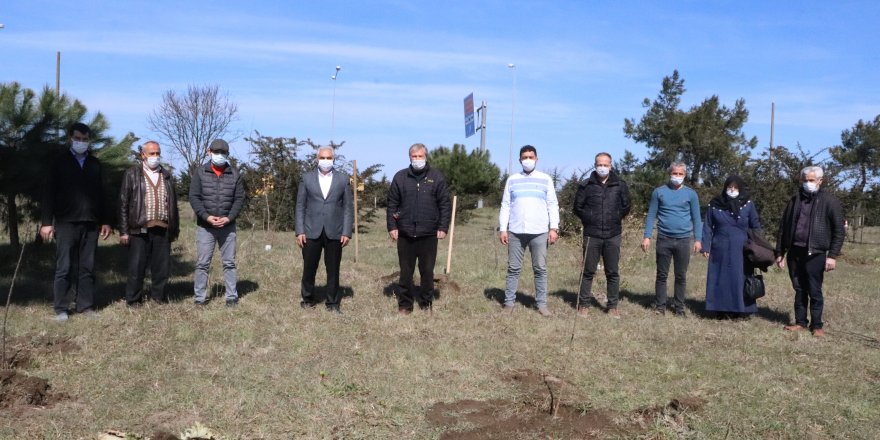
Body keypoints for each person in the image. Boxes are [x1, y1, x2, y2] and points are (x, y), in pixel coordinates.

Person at [40, 122, 112, 321]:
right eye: (77, 139)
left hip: (90, 222)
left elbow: (103, 194)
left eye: (85, 139)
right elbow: (48, 193)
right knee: (64, 267)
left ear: (89, 141)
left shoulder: (95, 164)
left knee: (87, 267)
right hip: (65, 222)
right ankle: (61, 308)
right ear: (70, 138)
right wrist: (46, 222)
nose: (81, 142)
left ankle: (85, 305)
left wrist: (106, 220)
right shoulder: (59, 162)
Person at [775, 166, 844, 337]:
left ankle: (817, 325)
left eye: (811, 180)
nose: (808, 183)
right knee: (799, 289)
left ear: (820, 181)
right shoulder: (794, 200)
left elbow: (839, 230)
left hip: (816, 253)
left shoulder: (829, 201)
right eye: (805, 180)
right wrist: (780, 252)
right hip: (795, 252)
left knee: (814, 289)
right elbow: (784, 227)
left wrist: (832, 255)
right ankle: (800, 322)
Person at [387, 143, 451, 315]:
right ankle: (405, 304)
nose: (417, 160)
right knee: (406, 272)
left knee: (427, 271)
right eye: (414, 157)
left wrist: (443, 226)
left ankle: (425, 304)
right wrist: (392, 226)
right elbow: (392, 204)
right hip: (405, 233)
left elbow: (444, 204)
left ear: (426, 157)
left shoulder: (436, 177)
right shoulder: (400, 177)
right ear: (409, 158)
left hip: (428, 234)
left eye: (420, 156)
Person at [499, 145, 560, 316]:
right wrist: (503, 228)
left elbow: (552, 204)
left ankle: (541, 304)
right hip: (516, 231)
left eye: (531, 157)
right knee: (513, 269)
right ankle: (509, 303)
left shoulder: (545, 179)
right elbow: (505, 205)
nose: (528, 160)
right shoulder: (512, 180)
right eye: (524, 157)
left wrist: (554, 228)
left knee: (540, 269)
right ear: (520, 160)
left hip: (539, 231)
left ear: (536, 159)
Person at [119, 141, 179, 307]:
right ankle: (133, 300)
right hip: (139, 228)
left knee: (161, 268)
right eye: (151, 153)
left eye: (158, 153)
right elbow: (123, 203)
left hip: (163, 228)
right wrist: (124, 231)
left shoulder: (166, 175)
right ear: (143, 155)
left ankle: (158, 298)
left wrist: (174, 229)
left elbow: (173, 204)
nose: (155, 157)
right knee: (136, 267)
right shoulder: (132, 174)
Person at [295, 146, 354, 314]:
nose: (326, 161)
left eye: (329, 158)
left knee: (333, 269)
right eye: (323, 157)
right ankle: (307, 299)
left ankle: (333, 303)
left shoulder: (342, 179)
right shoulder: (306, 178)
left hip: (335, 231)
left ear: (334, 159)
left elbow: (348, 208)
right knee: (309, 267)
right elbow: (300, 206)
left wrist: (346, 232)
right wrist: (300, 231)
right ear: (317, 158)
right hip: (311, 230)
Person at [573, 152, 631, 318]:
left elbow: (626, 206)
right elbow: (577, 207)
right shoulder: (586, 185)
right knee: (588, 271)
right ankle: (583, 304)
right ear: (595, 164)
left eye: (606, 164)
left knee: (612, 272)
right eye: (600, 164)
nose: (602, 167)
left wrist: (615, 217)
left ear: (611, 166)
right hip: (592, 234)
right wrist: (589, 219)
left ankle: (612, 306)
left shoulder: (620, 184)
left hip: (613, 234)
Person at [189, 139, 246, 307]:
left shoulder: (234, 174)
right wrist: (206, 216)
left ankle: (231, 297)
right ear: (209, 152)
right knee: (202, 263)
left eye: (223, 153)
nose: (219, 155)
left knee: (229, 263)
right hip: (205, 227)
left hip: (228, 227)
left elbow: (239, 199)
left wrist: (229, 218)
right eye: (216, 152)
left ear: (227, 155)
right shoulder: (200, 173)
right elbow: (194, 197)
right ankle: (200, 298)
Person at [641, 162, 702, 317]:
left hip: (683, 240)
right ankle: (660, 306)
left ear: (685, 175)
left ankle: (679, 307)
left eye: (680, 174)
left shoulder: (691, 194)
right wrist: (647, 236)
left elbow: (696, 218)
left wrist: (698, 239)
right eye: (675, 173)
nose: (677, 177)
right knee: (662, 275)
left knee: (681, 276)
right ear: (670, 173)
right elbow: (651, 215)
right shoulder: (659, 192)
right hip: (664, 239)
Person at [701, 176, 761, 318]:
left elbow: (756, 226)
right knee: (720, 278)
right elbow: (708, 226)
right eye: (730, 187)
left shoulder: (748, 204)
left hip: (742, 248)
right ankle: (720, 309)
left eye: (735, 187)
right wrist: (706, 246)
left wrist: (757, 246)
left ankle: (741, 310)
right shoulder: (715, 204)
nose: (732, 190)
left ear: (740, 188)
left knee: (740, 278)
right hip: (719, 247)